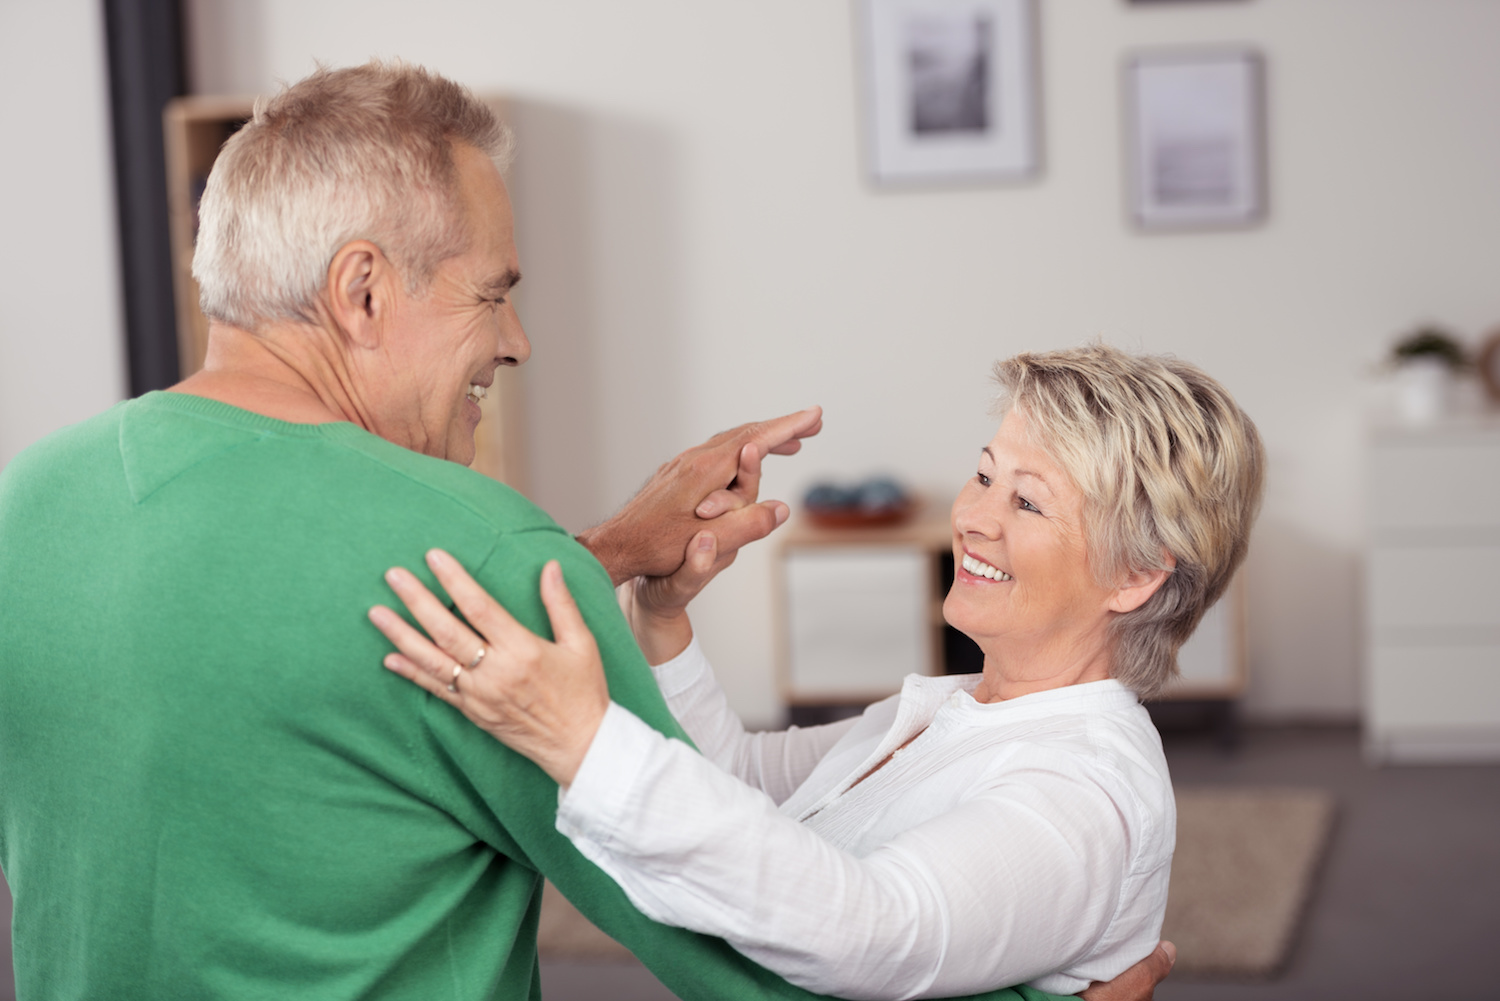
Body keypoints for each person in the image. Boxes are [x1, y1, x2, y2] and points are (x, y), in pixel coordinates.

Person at [0, 60, 1170, 1001]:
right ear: (362, 293)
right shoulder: (486, 562)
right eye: (492, 292)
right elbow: (761, 964)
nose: (515, 341)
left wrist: (599, 557)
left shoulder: (30, 504)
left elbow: (254, 644)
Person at [372, 345, 1263, 998]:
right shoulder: (958, 707)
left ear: (1140, 573)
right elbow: (749, 787)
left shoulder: (1086, 793)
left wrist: (582, 740)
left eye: (1026, 501)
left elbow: (870, 928)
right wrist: (663, 612)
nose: (974, 518)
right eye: (984, 475)